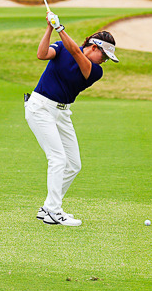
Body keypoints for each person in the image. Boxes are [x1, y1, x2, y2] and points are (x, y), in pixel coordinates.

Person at [25, 12, 119, 227]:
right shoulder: (61, 47)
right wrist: (50, 28)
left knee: (74, 164)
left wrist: (60, 28)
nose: (104, 61)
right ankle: (53, 211)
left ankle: (48, 207)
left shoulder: (95, 71)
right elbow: (41, 54)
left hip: (62, 113)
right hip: (40, 107)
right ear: (94, 47)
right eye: (104, 56)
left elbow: (76, 52)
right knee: (58, 159)